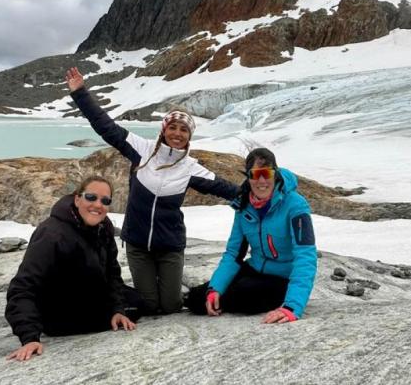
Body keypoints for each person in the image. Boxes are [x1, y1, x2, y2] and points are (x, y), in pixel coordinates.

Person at [65, 67, 238, 315]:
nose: (177, 134)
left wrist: (263, 194)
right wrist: (80, 93)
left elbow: (225, 188)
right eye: (173, 127)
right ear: (164, 130)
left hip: (170, 247)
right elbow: (105, 126)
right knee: (148, 305)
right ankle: (110, 295)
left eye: (183, 130)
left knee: (170, 306)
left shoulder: (190, 168)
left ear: (189, 136)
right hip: (137, 245)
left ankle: (203, 294)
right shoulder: (141, 149)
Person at [5, 175, 144, 362]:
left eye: (105, 200)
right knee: (137, 306)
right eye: (91, 197)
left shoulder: (104, 227)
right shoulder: (52, 234)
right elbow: (23, 287)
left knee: (137, 301)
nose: (98, 205)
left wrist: (118, 309)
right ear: (77, 198)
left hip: (89, 297)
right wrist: (29, 337)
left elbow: (112, 272)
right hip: (61, 315)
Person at [187, 148, 317, 323]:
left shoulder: (295, 205)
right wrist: (215, 289)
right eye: (256, 174)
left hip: (283, 277)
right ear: (248, 176)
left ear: (275, 174)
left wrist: (292, 306)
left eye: (267, 173)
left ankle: (249, 299)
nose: (262, 181)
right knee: (196, 299)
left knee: (245, 295)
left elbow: (305, 257)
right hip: (255, 269)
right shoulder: (243, 204)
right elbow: (234, 254)